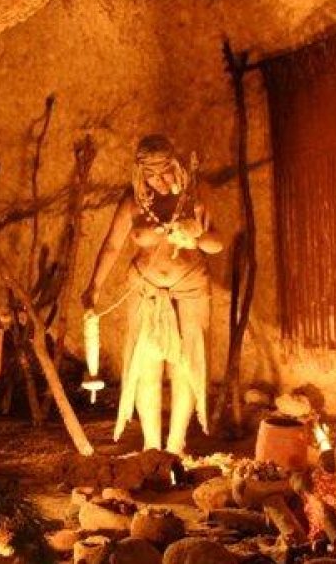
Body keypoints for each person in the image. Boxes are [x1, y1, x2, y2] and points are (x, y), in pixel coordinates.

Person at [82, 134, 223, 455]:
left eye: (165, 172)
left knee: (185, 367)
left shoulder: (195, 199)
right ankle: (151, 447)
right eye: (151, 175)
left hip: (190, 290)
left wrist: (196, 237)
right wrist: (93, 288)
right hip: (145, 290)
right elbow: (112, 246)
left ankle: (175, 447)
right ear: (140, 174)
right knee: (147, 366)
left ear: (176, 166)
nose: (159, 181)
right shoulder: (132, 202)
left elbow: (217, 244)